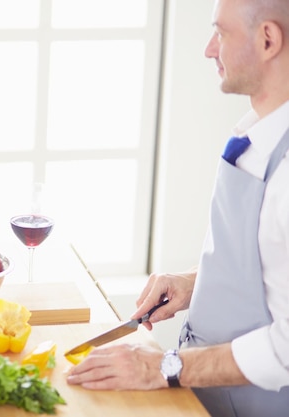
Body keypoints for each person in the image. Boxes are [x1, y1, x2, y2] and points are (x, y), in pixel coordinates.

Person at [66, 0, 289, 415]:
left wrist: (163, 366)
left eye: (221, 33)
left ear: (268, 40)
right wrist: (196, 282)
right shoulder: (259, 132)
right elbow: (270, 263)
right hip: (206, 397)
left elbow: (284, 350)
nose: (208, 48)